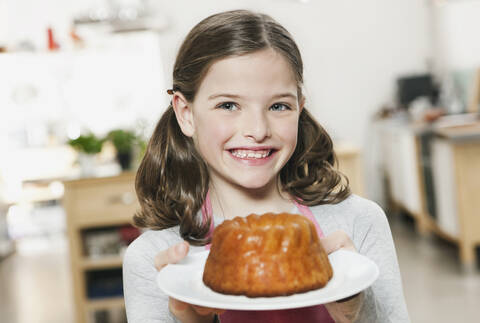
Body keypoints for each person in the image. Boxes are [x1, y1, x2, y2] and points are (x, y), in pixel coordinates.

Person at [123, 9, 410, 323]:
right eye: (228, 105)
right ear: (186, 113)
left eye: (278, 106)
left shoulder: (359, 223)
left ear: (299, 109)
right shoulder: (154, 260)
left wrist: (353, 312)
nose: (258, 130)